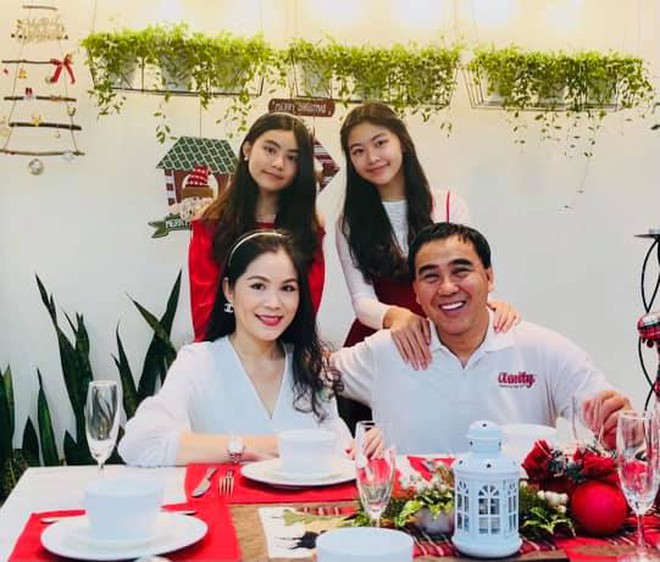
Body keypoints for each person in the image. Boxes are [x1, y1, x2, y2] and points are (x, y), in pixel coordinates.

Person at [330, 222, 631, 454]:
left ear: (489, 277)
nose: (447, 288)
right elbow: (312, 372)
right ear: (416, 292)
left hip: (518, 513)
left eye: (460, 272)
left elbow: (616, 424)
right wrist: (340, 442)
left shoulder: (542, 349)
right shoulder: (387, 350)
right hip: (409, 512)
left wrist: (621, 426)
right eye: (431, 276)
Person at [335, 102, 519, 429]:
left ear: (402, 143)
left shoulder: (447, 203)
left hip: (446, 340)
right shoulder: (349, 222)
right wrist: (398, 318)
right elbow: (361, 301)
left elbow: (469, 269)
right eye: (358, 151)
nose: (372, 157)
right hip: (384, 344)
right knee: (376, 444)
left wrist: (492, 303)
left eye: (380, 143)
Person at [119, 230, 350, 467]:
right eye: (258, 286)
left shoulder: (312, 366)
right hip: (223, 493)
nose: (274, 303)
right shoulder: (198, 363)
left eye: (288, 288)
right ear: (229, 290)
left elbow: (340, 451)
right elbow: (140, 443)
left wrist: (363, 448)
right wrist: (246, 448)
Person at [189, 112, 324, 342]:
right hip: (221, 350)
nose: (278, 163)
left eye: (292, 158)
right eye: (270, 150)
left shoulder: (309, 227)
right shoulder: (211, 221)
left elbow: (306, 310)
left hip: (286, 352)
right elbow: (205, 313)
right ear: (248, 149)